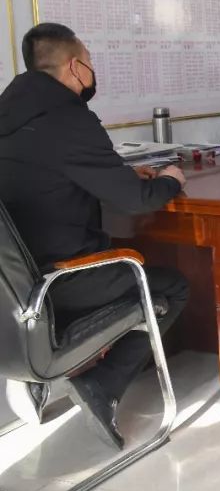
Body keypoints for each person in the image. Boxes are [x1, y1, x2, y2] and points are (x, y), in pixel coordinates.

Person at [0, 23, 190, 450]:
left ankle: (50, 377)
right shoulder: (68, 118)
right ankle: (101, 385)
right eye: (89, 62)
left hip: (12, 291)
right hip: (60, 281)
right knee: (171, 285)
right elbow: (137, 200)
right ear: (74, 66)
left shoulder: (9, 115)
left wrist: (119, 175)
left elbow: (47, 178)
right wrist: (170, 179)